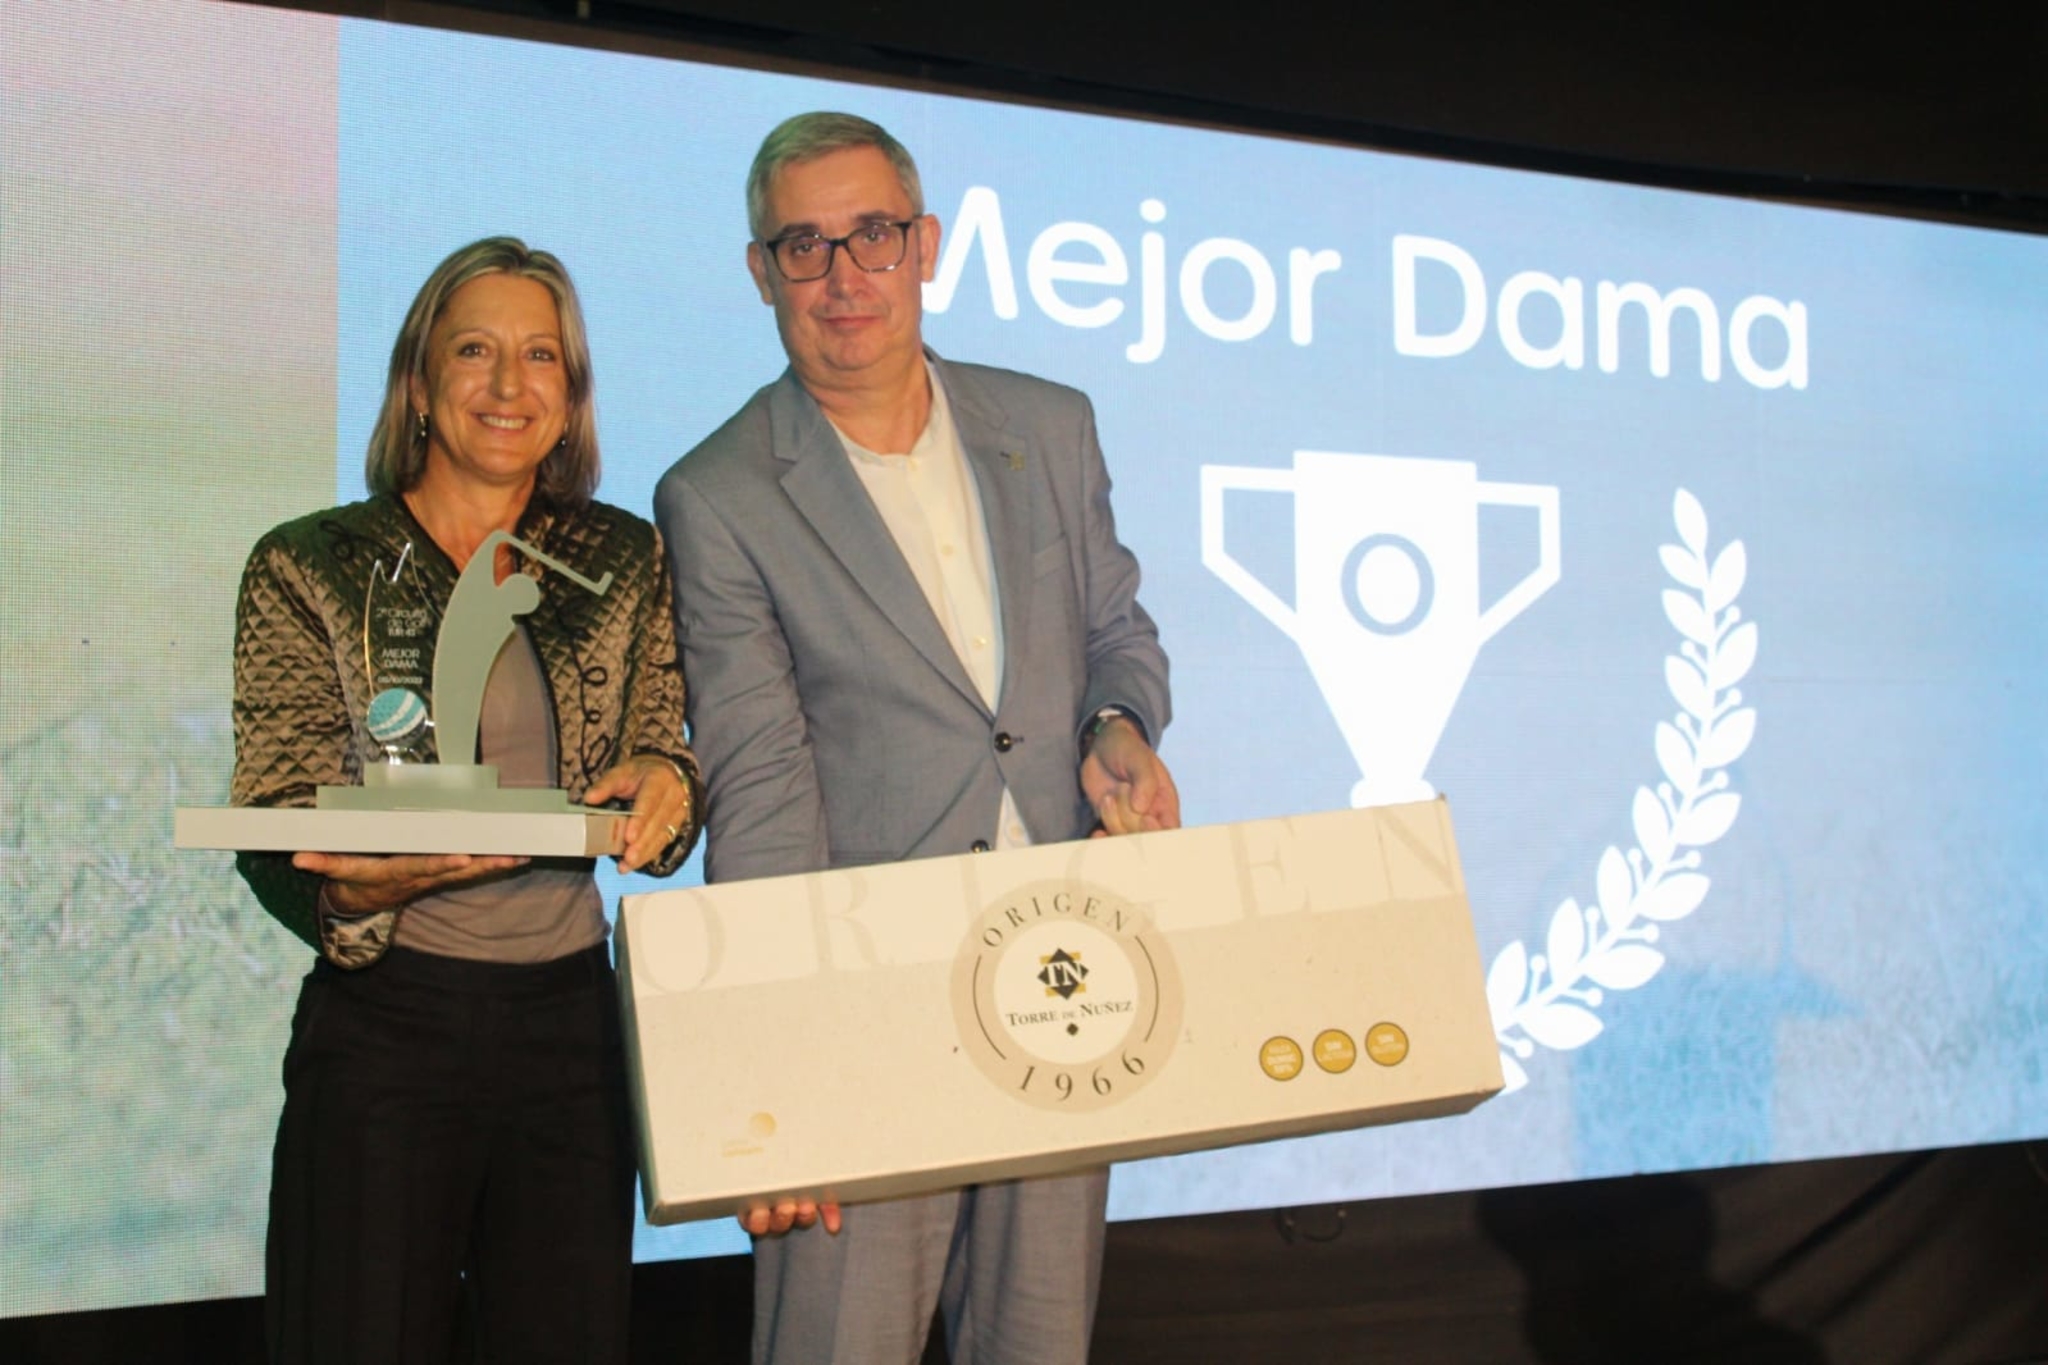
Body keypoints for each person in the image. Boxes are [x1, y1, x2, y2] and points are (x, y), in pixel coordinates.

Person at [654, 112, 1179, 1365]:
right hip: (860, 1010)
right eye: (803, 245)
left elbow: (1116, 633)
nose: (843, 275)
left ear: (926, 244)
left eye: (872, 235)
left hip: (1063, 978)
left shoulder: (1049, 426)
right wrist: (774, 1068)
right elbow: (761, 789)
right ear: (759, 271)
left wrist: (1115, 725)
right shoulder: (716, 495)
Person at [230, 236, 702, 1364]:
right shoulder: (309, 562)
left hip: (572, 1035)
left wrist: (670, 787)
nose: (508, 385)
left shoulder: (622, 556)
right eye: (474, 351)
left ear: (570, 396)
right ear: (419, 382)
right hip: (385, 1030)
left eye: (541, 356)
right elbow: (272, 814)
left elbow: (661, 753)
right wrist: (350, 895)